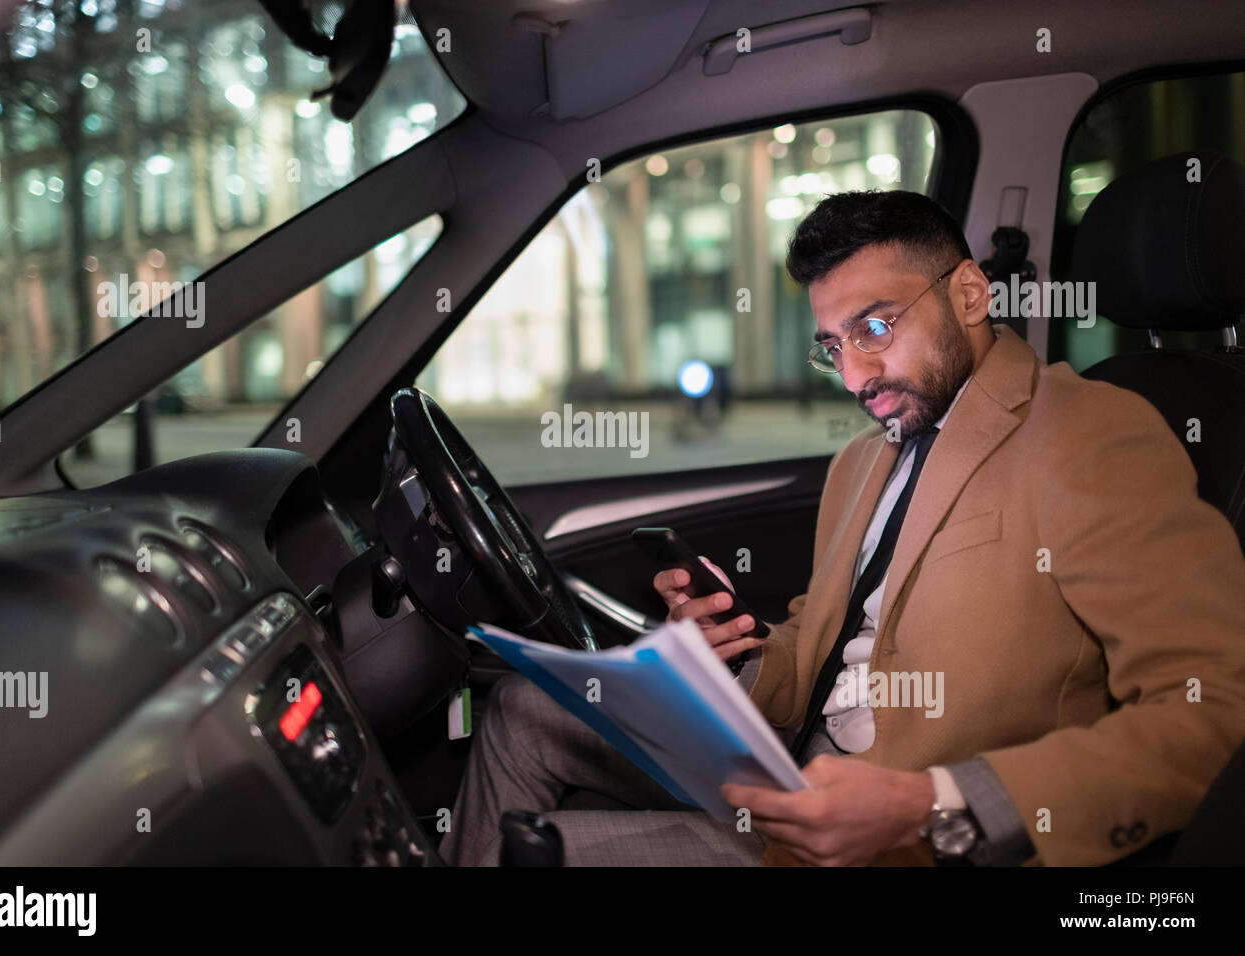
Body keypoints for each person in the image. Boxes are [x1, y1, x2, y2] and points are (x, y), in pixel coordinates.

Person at [438, 190, 1245, 867]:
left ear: (969, 295)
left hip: (900, 839)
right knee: (518, 709)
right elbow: (822, 647)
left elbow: (1214, 711)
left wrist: (932, 805)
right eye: (833, 344)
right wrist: (737, 660)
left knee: (541, 850)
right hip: (791, 767)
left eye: (876, 327)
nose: (855, 375)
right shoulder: (861, 460)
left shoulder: (1089, 432)